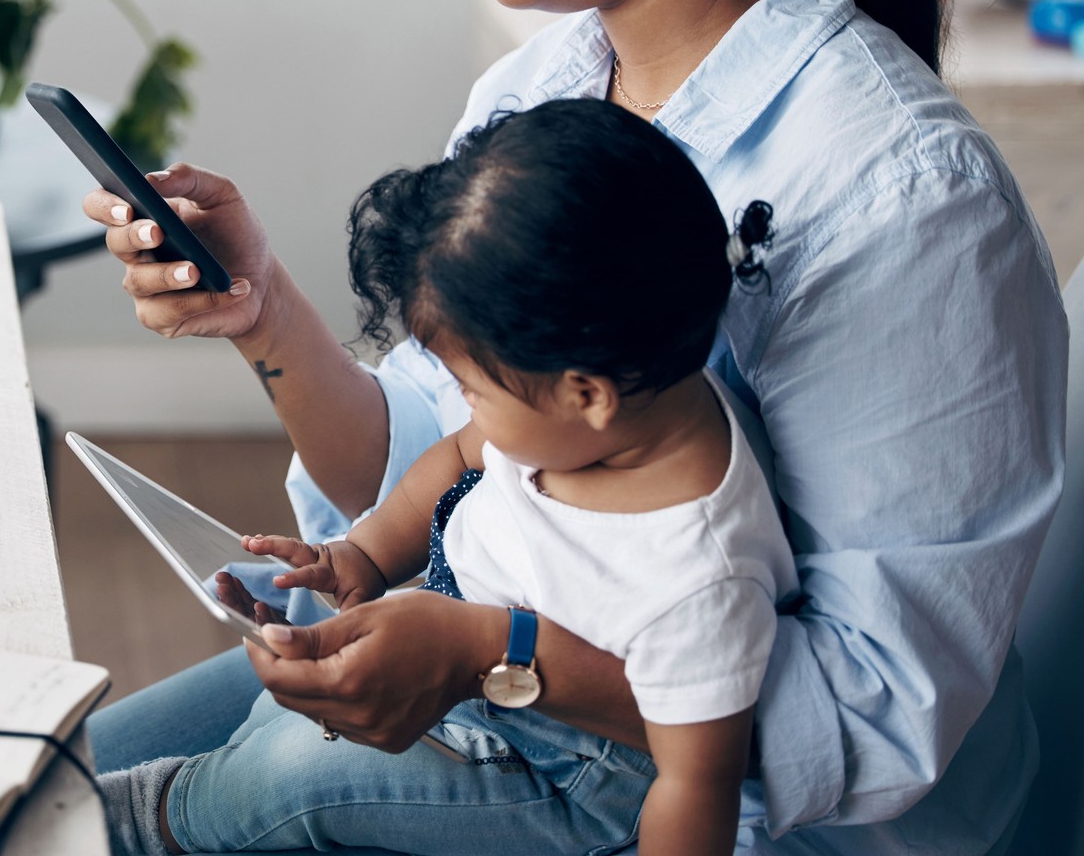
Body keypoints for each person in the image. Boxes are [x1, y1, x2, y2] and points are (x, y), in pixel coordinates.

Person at [80, 0, 1067, 853]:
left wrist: (493, 655)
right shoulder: (534, 95)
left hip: (743, 808)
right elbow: (443, 461)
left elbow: (868, 721)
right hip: (506, 684)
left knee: (178, 818)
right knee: (54, 782)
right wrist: (265, 318)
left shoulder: (905, 203)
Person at [102, 99, 797, 855]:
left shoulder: (700, 576)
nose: (463, 407)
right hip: (470, 659)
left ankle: (143, 824)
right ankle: (196, 795)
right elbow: (460, 458)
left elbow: (698, 784)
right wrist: (362, 556)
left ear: (585, 394)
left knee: (295, 775)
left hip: (567, 772)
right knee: (296, 708)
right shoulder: (608, 405)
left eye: (471, 388)